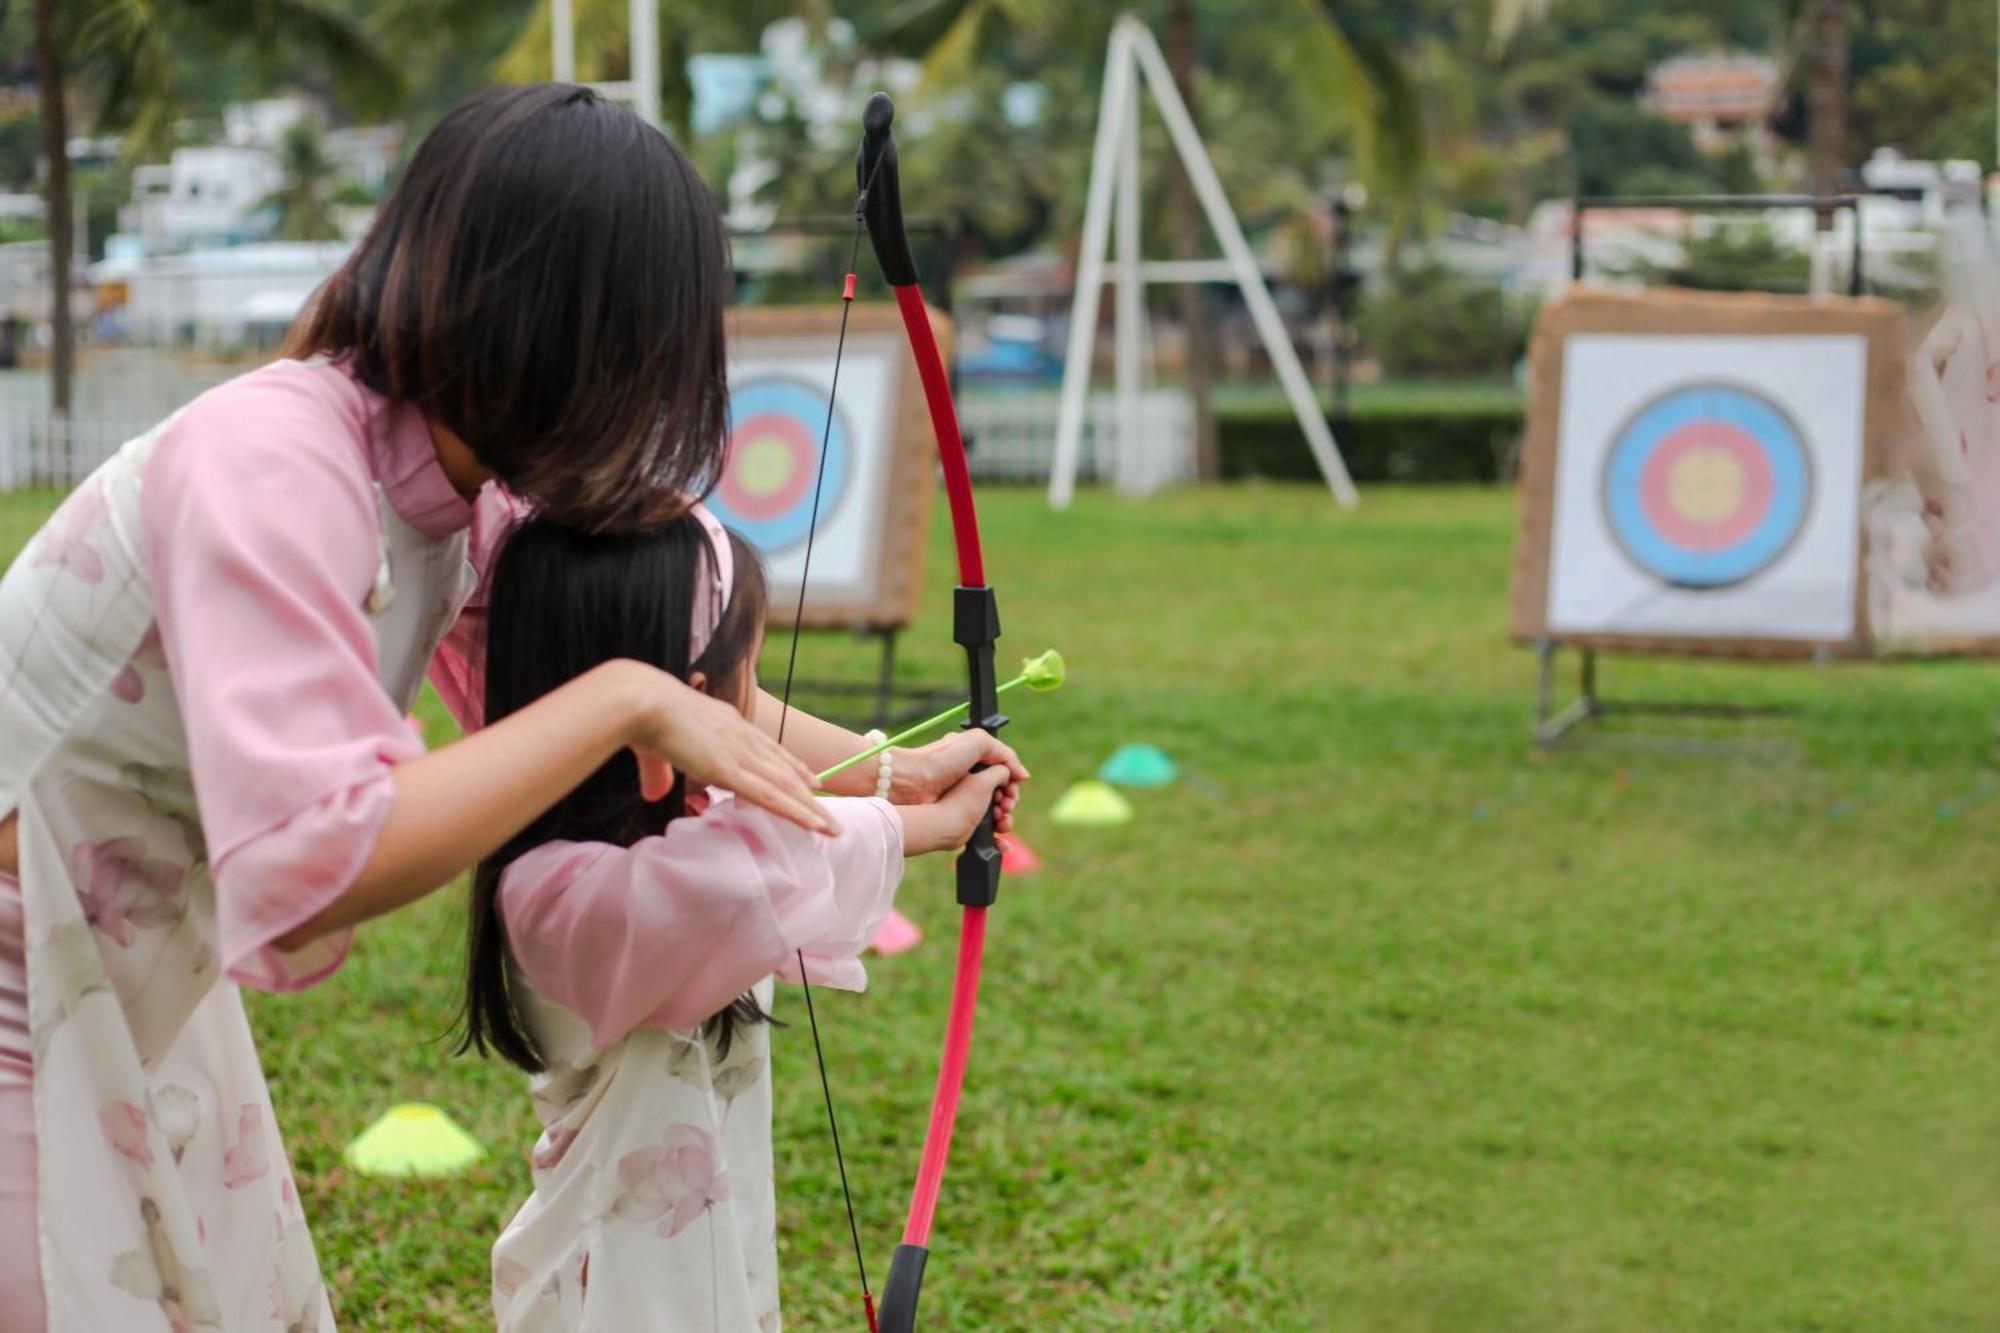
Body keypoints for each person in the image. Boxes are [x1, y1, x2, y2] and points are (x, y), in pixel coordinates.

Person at [0, 84, 1021, 1331]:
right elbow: (328, 849)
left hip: (129, 981)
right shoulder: (273, 461)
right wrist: (619, 703)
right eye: (651, 349)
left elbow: (692, 686)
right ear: (564, 329)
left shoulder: (462, 491)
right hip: (27, 997)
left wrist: (885, 769)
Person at [464, 511, 1012, 1331]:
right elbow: (743, 876)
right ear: (687, 707)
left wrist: (908, 780)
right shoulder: (559, 891)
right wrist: (923, 824)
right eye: (747, 684)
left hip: (704, 1262)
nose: (757, 710)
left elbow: (759, 851)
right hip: (609, 1300)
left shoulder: (661, 835)